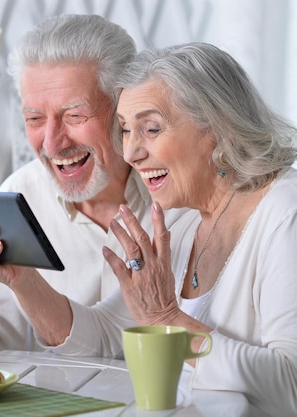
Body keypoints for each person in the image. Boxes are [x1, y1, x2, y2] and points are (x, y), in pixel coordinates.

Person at [24, 43, 296, 416]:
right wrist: (18, 277)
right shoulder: (181, 221)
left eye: (151, 128)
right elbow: (104, 338)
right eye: (125, 130)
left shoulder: (285, 212)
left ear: (217, 126)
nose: (131, 152)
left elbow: (291, 385)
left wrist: (169, 320)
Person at [0, 14, 187, 353]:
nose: (53, 144)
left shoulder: (178, 194)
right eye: (35, 119)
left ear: (123, 109)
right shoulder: (19, 195)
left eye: (74, 116)